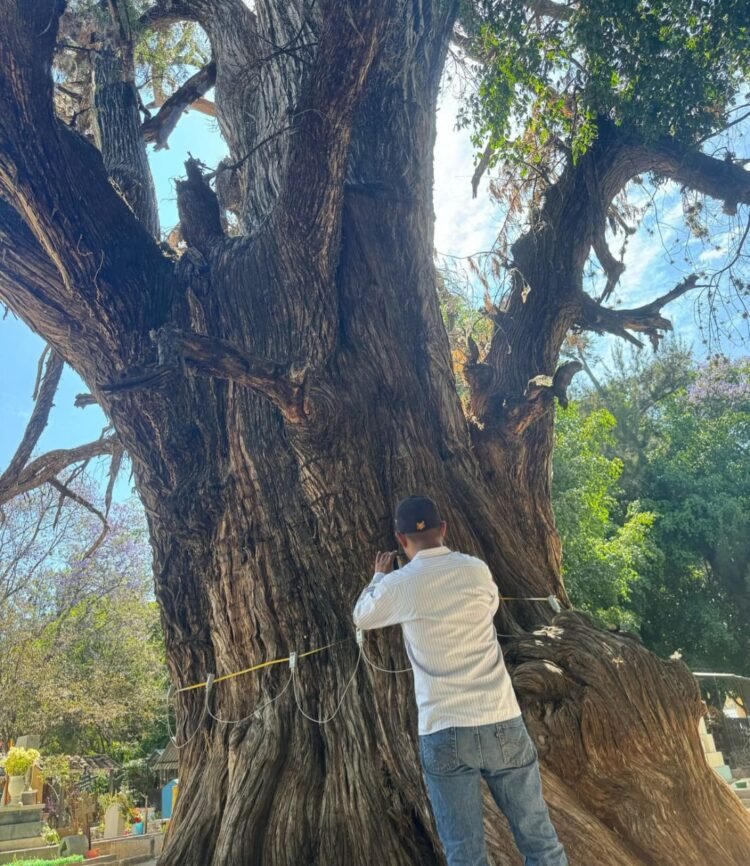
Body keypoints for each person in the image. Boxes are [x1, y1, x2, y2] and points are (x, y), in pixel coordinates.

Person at [353, 495, 568, 866]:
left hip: (444, 727)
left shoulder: (401, 584)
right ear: (444, 529)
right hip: (500, 717)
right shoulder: (475, 569)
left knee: (464, 855)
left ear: (400, 540)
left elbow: (363, 616)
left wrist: (378, 576)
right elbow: (490, 606)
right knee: (540, 840)